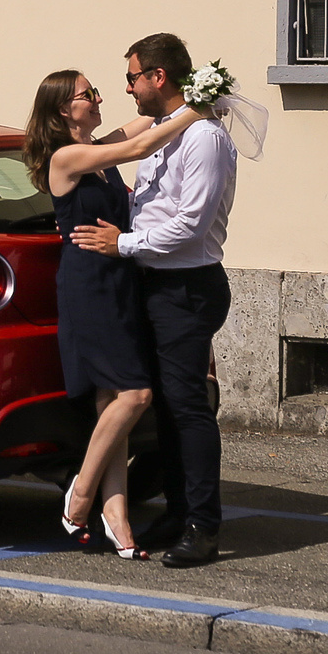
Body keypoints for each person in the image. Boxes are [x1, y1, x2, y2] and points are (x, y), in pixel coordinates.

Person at [70, 32, 237, 568]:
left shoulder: (203, 139)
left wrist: (121, 244)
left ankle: (203, 525)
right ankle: (178, 510)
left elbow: (189, 226)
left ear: (158, 78)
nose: (127, 88)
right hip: (152, 282)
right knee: (166, 407)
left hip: (185, 286)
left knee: (188, 406)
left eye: (133, 77)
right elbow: (144, 190)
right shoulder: (167, 131)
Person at [22, 68, 203, 558]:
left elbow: (135, 130)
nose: (99, 98)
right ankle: (79, 496)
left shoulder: (96, 149)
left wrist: (190, 98)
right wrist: (197, 111)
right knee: (137, 394)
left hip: (119, 280)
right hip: (89, 288)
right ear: (64, 109)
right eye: (89, 94)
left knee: (112, 405)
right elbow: (136, 149)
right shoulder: (68, 157)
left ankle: (117, 518)